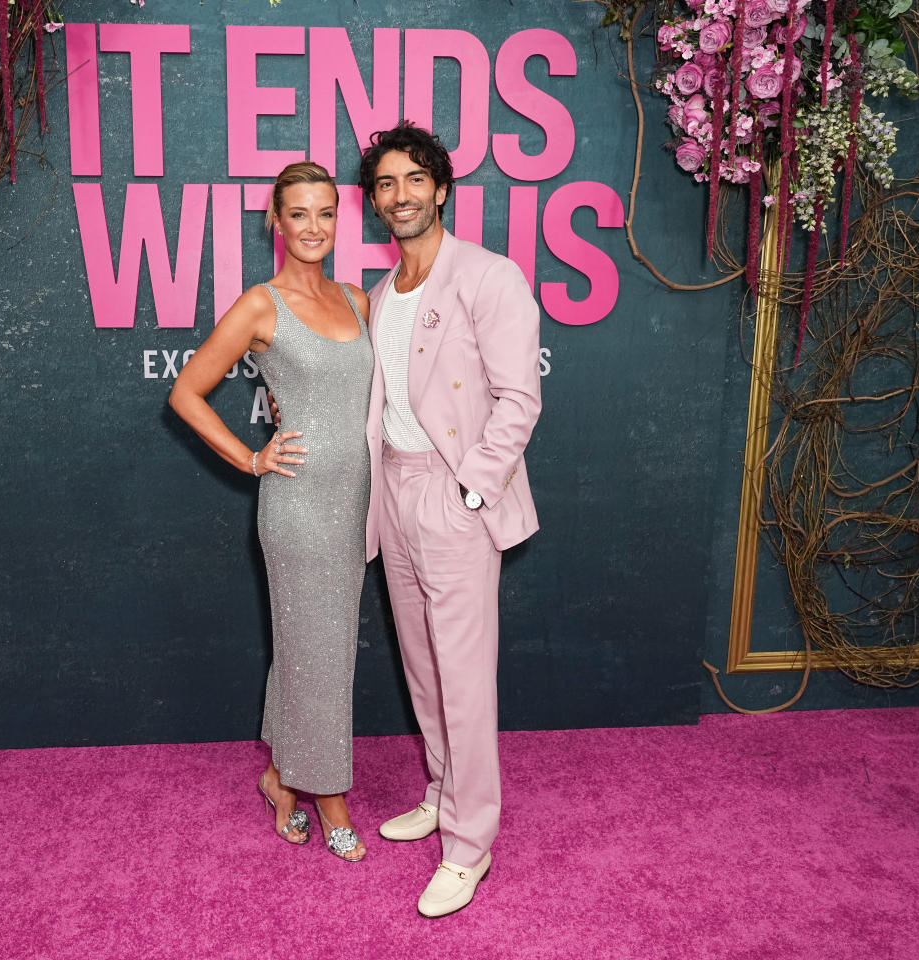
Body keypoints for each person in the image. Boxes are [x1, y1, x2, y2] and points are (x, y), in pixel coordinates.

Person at [359, 122, 542, 915]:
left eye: (413, 180)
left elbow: (519, 398)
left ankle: (470, 846)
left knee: (464, 678)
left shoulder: (488, 276)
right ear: (375, 201)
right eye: (385, 185)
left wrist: (471, 490)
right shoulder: (377, 294)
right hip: (392, 492)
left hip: (453, 493)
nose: (399, 196)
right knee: (423, 667)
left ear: (441, 187)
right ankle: (442, 792)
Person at [168, 161, 373, 862]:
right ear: (275, 222)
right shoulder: (262, 304)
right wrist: (252, 459)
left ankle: (281, 778)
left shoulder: (357, 299)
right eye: (298, 214)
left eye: (325, 213)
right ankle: (331, 794)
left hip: (353, 507)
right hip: (298, 507)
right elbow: (187, 394)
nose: (313, 227)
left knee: (315, 649)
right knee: (319, 650)